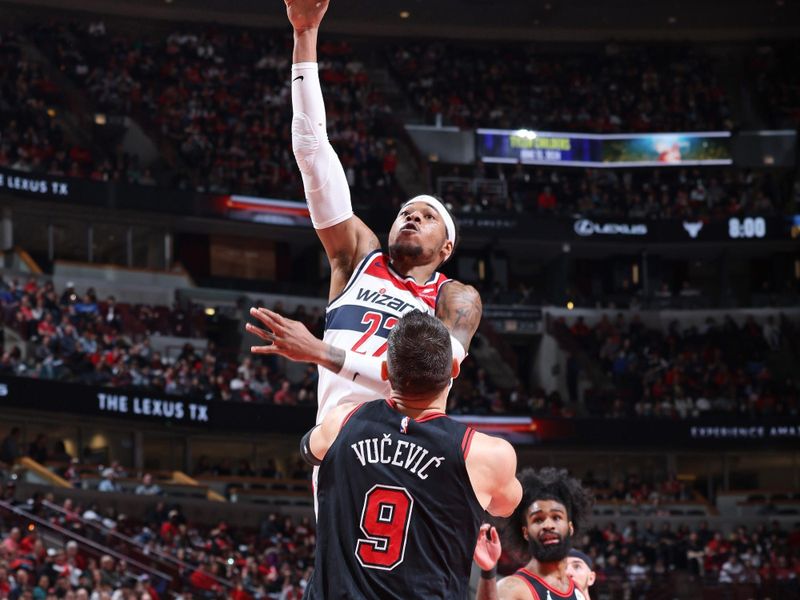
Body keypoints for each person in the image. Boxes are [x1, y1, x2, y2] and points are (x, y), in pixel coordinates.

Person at [248, 0, 481, 423]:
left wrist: (319, 351)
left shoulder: (455, 297)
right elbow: (312, 149)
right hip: (334, 444)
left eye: (427, 216)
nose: (412, 217)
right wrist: (304, 36)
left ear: (446, 248)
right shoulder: (357, 256)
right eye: (406, 212)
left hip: (401, 449)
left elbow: (432, 376)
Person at [300, 311, 521, 599]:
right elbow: (505, 507)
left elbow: (309, 450)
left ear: (384, 372)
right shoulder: (487, 454)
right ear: (454, 369)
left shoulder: (341, 422)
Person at [474, 467, 594, 600]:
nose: (548, 526)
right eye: (538, 519)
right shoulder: (514, 588)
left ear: (570, 527)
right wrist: (488, 572)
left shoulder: (577, 590)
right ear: (525, 532)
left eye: (556, 517)